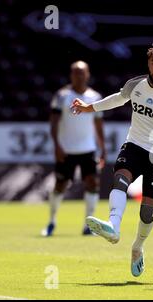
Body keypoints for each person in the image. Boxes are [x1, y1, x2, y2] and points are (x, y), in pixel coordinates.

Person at [70, 44, 153, 277]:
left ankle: (137, 247)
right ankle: (113, 226)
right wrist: (89, 108)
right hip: (134, 145)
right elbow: (119, 98)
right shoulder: (135, 84)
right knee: (120, 180)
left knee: (147, 212)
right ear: (148, 63)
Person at [42, 61, 106, 237]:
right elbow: (54, 123)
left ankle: (89, 224)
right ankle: (51, 221)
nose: (79, 75)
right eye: (76, 72)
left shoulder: (95, 97)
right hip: (67, 149)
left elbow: (99, 124)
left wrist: (103, 148)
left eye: (82, 72)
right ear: (71, 75)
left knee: (92, 183)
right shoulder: (62, 96)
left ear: (88, 74)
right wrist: (56, 145)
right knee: (60, 185)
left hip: (88, 149)